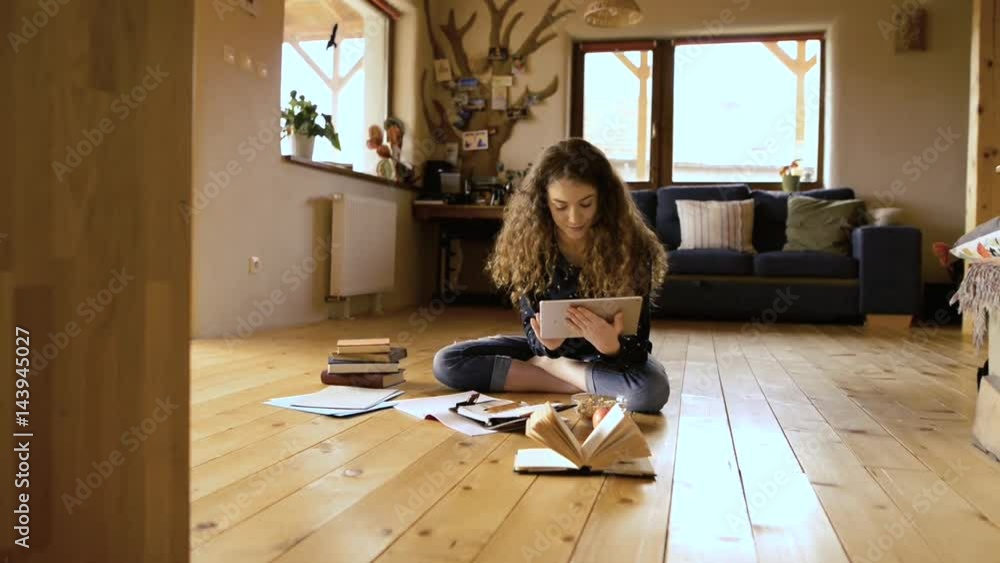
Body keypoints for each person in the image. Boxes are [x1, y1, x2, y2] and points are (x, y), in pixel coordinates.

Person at [432, 139, 670, 413]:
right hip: (553, 355)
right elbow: (534, 340)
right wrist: (550, 348)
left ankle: (560, 371)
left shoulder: (633, 249)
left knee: (651, 391)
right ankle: (585, 382)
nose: (574, 218)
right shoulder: (531, 244)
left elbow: (637, 350)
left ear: (603, 199)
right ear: (543, 203)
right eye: (560, 206)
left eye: (585, 204)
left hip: (608, 361)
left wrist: (610, 347)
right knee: (447, 361)